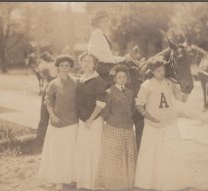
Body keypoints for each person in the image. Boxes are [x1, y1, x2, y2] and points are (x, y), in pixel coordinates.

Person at [134, 59, 190, 190]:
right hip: (153, 125)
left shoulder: (170, 83)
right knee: (152, 154)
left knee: (169, 153)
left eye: (163, 70)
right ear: (152, 72)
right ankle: (150, 182)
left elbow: (182, 98)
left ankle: (171, 182)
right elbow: (138, 104)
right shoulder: (146, 85)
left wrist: (188, 89)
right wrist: (148, 116)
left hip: (169, 123)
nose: (161, 73)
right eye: (158, 71)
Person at [38, 54, 78, 191]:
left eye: (67, 66)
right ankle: (58, 181)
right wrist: (52, 115)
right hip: (57, 123)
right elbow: (48, 101)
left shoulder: (76, 82)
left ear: (70, 67)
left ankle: (70, 178)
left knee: (70, 151)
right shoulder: (53, 84)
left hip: (72, 122)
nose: (65, 68)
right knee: (57, 152)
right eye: (62, 66)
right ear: (58, 67)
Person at [96, 65, 137, 190]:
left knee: (127, 155)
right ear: (115, 79)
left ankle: (126, 183)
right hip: (113, 127)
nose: (122, 79)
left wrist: (129, 117)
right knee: (114, 156)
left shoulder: (130, 92)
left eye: (124, 77)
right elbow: (105, 110)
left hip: (128, 127)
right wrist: (107, 121)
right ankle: (112, 184)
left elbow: (133, 109)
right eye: (119, 77)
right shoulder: (110, 92)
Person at [75, 52, 107, 190]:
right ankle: (84, 182)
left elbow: (100, 104)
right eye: (84, 61)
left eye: (89, 61)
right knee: (83, 150)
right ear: (81, 63)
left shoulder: (99, 81)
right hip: (82, 121)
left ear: (94, 64)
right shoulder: (80, 80)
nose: (86, 64)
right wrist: (82, 120)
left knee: (95, 150)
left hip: (94, 121)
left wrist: (90, 119)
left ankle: (95, 183)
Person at [88, 10, 131, 85]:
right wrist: (123, 59)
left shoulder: (103, 34)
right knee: (128, 74)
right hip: (102, 68)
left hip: (106, 66)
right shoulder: (97, 34)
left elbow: (109, 57)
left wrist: (123, 58)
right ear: (97, 23)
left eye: (107, 21)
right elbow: (103, 58)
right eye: (103, 22)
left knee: (131, 67)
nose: (106, 24)